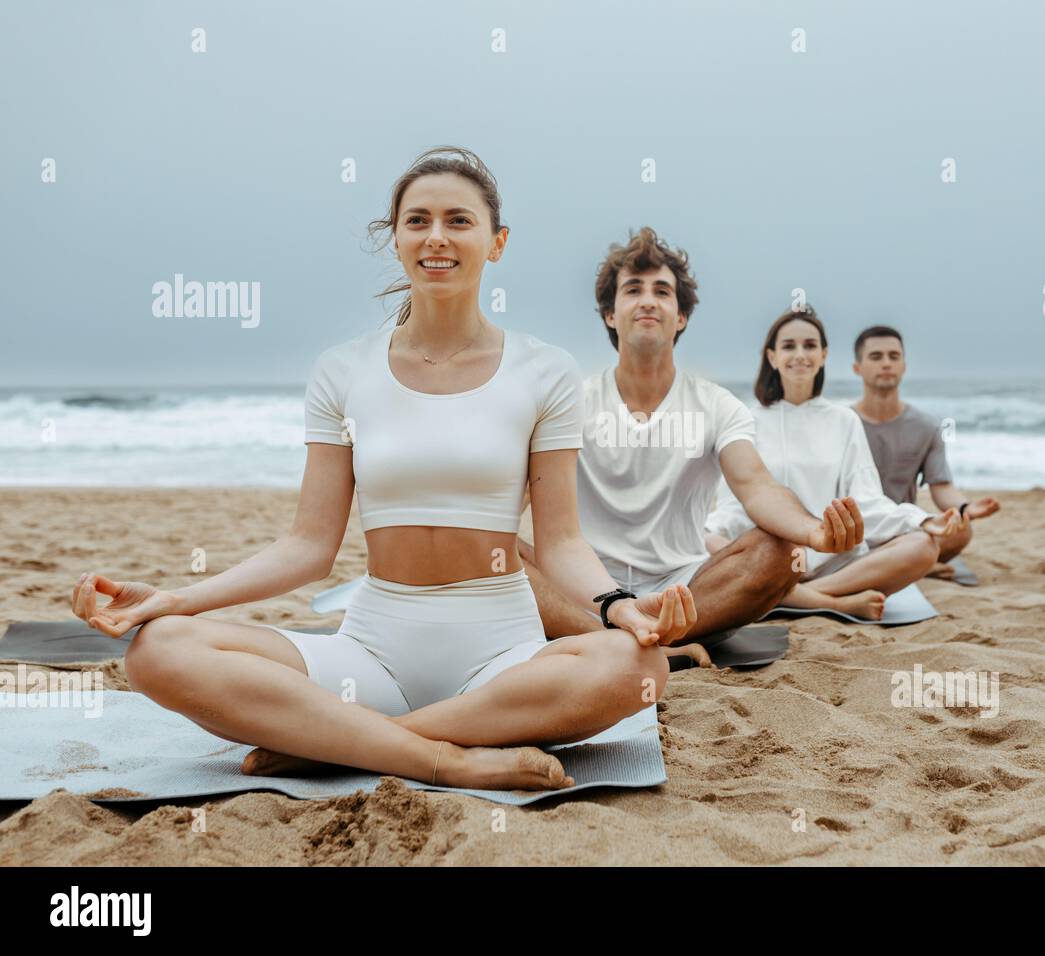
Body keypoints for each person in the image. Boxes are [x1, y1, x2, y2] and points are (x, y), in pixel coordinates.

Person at [68, 147, 698, 793]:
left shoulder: (544, 370)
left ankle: (341, 742)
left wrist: (618, 608)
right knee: (161, 649)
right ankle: (442, 757)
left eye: (459, 220)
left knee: (637, 667)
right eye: (417, 220)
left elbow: (562, 542)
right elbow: (308, 547)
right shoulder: (344, 371)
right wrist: (177, 599)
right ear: (395, 238)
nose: (436, 237)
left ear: (496, 242)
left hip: (503, 655)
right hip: (370, 651)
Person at [517, 227, 865, 661]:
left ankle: (644, 640)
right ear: (610, 314)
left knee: (783, 550)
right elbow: (525, 500)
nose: (648, 300)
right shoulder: (573, 401)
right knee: (491, 548)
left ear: (680, 317)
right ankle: (617, 637)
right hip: (587, 590)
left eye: (662, 291)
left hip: (685, 590)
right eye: (633, 290)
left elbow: (756, 485)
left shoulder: (716, 404)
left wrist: (815, 531)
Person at [704, 308, 958, 619]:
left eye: (810, 346)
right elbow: (735, 505)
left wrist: (919, 520)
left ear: (824, 355)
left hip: (833, 564)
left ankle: (800, 597)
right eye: (789, 346)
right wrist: (706, 532)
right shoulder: (746, 420)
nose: (800, 354)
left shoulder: (844, 420)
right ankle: (829, 602)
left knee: (923, 546)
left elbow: (865, 500)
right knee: (700, 541)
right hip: (768, 560)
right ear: (772, 357)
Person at [849, 325, 1000, 575]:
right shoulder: (843, 423)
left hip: (903, 532)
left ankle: (904, 562)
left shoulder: (926, 427)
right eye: (876, 357)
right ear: (857, 368)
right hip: (855, 533)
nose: (886, 363)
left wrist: (966, 508)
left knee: (961, 529)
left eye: (893, 356)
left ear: (904, 366)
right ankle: (916, 565)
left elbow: (941, 486)